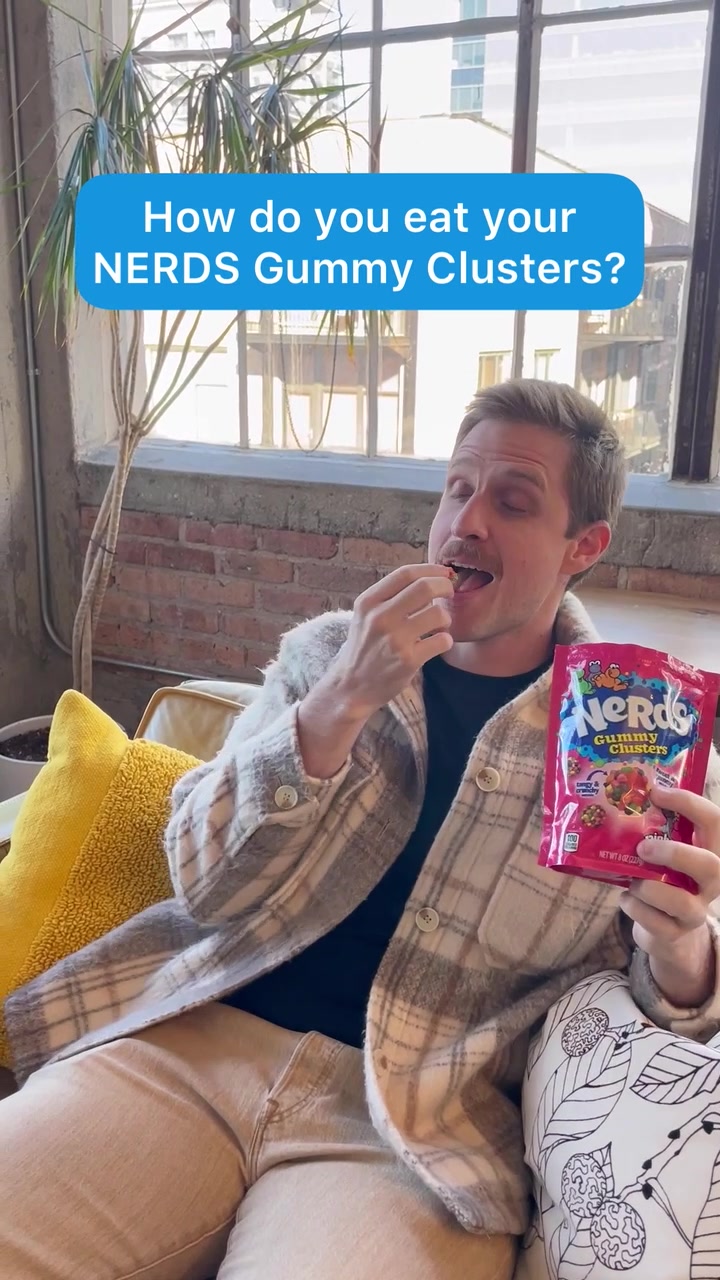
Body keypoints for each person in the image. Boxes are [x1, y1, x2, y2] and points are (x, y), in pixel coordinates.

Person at [3, 379, 720, 1280]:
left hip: (415, 1131)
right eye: (458, 489)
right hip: (193, 1043)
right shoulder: (325, 657)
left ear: (585, 546)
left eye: (513, 502)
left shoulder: (639, 744)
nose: (468, 522)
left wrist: (685, 944)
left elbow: (652, 1009)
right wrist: (337, 704)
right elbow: (202, 882)